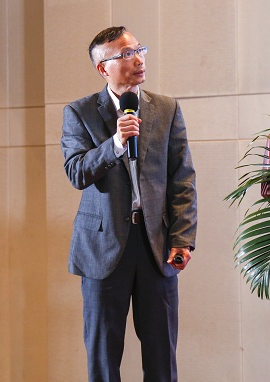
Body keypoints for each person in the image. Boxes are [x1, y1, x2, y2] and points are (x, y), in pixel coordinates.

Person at [61, 26, 197, 382]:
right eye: (125, 54)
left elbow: (182, 179)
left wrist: (182, 238)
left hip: (156, 245)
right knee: (104, 358)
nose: (138, 59)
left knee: (161, 356)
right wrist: (116, 144)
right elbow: (76, 172)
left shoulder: (166, 108)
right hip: (103, 248)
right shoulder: (79, 112)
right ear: (102, 68)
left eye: (139, 50)